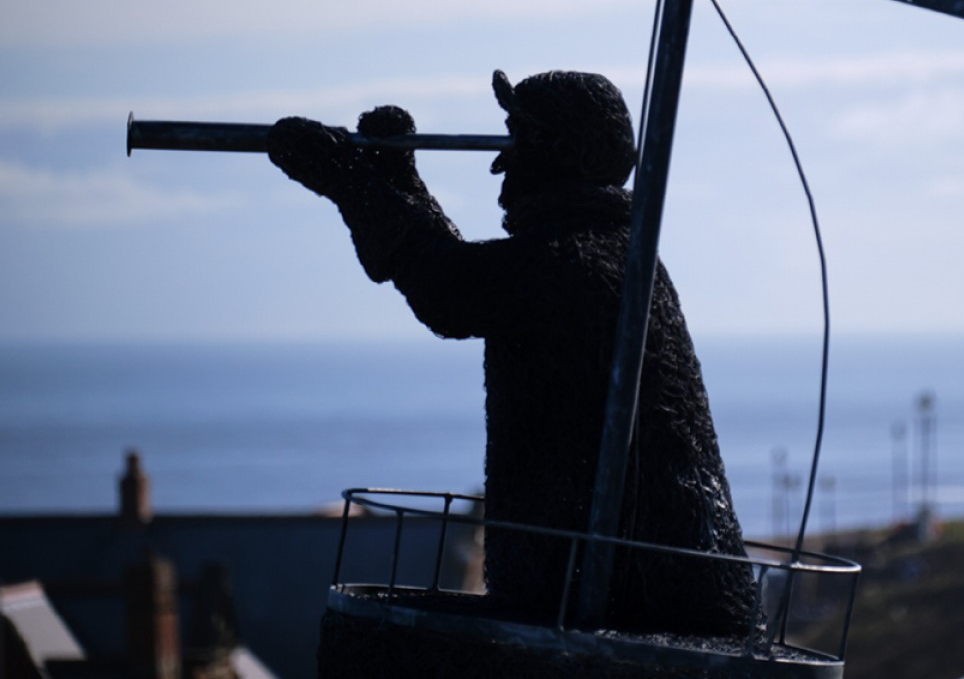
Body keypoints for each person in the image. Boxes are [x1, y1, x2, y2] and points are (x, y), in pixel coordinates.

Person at [267, 70, 753, 636]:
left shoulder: (575, 263)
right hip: (645, 592)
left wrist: (346, 179)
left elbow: (451, 289)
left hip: (629, 605)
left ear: (556, 152)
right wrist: (397, 181)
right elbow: (469, 272)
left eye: (516, 136)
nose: (502, 160)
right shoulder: (614, 256)